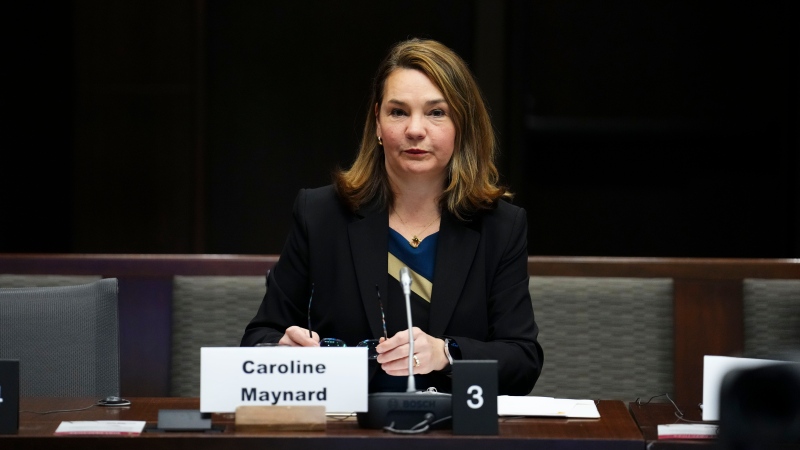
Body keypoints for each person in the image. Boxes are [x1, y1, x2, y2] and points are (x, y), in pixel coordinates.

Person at [241, 38, 543, 395]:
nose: (415, 129)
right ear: (378, 122)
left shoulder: (500, 227)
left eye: (436, 112)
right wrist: (281, 351)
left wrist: (446, 353)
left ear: (462, 125)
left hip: (453, 433)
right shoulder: (321, 215)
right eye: (398, 111)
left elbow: (522, 361)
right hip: (348, 431)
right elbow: (258, 339)